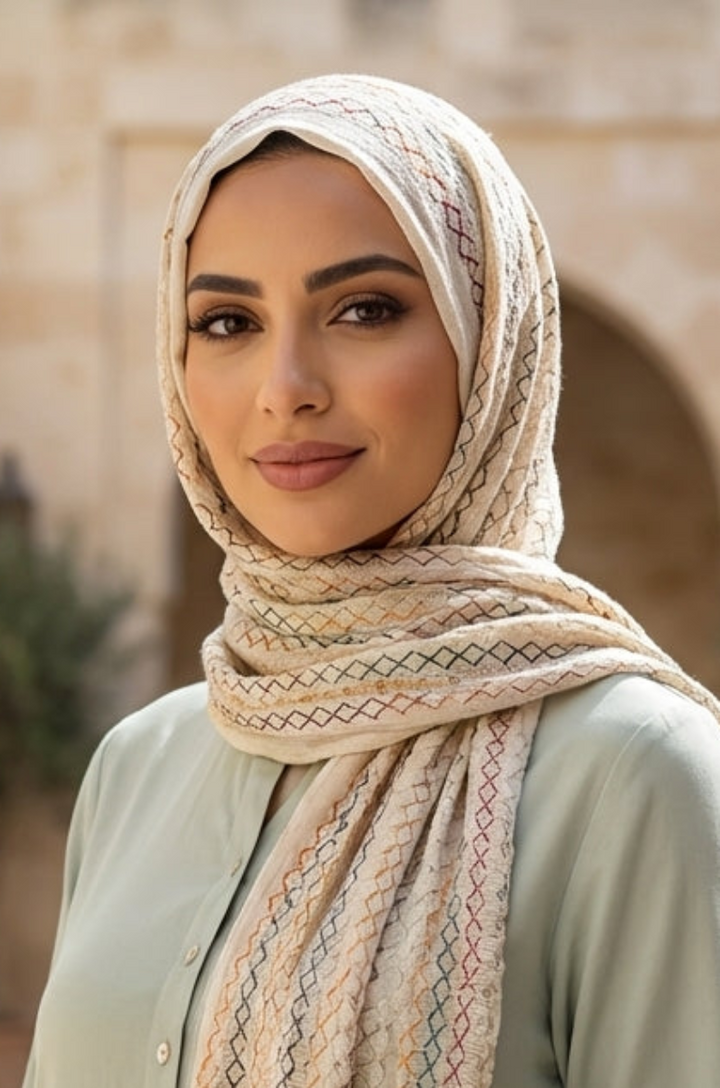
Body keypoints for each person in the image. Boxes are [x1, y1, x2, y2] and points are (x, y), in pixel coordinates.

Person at [23, 74, 720, 1088]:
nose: (285, 387)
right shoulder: (138, 767)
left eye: (364, 307)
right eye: (227, 322)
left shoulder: (637, 777)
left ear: (489, 347)